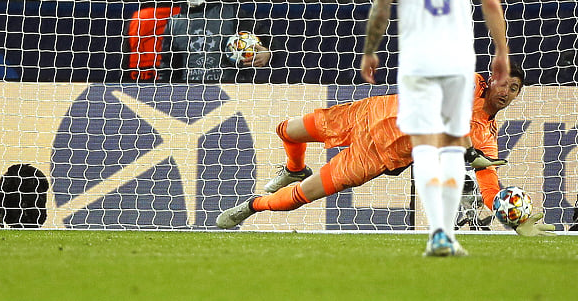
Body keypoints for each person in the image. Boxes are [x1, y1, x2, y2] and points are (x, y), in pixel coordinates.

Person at [216, 65, 556, 238]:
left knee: (296, 199)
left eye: (514, 89)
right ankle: (293, 166)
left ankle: (251, 206)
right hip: (368, 113)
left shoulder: (485, 135)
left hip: (374, 158)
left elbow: (489, 182)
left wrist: (513, 215)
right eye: (504, 82)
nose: (507, 91)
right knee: (286, 130)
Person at [360, 0, 510, 256]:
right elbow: (491, 3)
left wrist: (370, 49)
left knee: (425, 144)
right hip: (459, 58)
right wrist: (501, 51)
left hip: (418, 58)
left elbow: (380, 7)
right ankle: (445, 233)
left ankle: (438, 232)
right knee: (453, 144)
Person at [160, 0, 271, 83]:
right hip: (191, 94)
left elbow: (268, 37)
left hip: (231, 92)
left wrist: (269, 54)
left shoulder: (231, 13)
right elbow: (168, 69)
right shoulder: (174, 24)